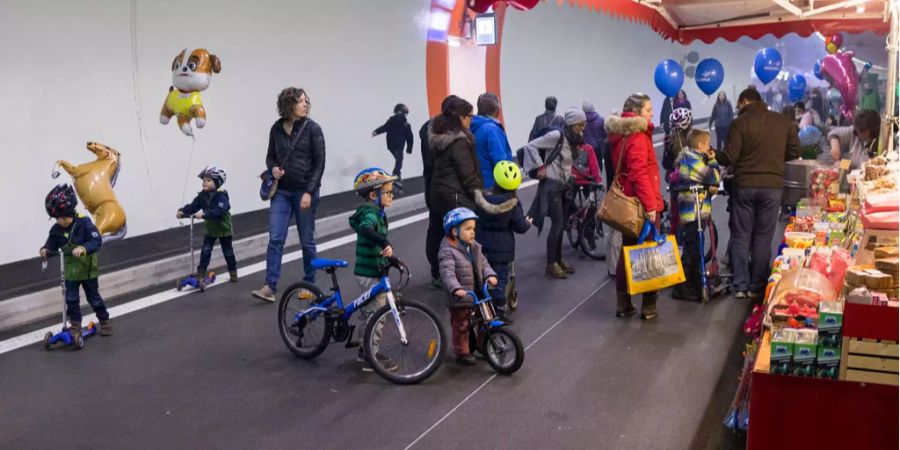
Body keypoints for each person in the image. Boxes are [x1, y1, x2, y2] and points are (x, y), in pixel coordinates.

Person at [718, 88, 800, 300]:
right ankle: (757, 286)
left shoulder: (740, 123)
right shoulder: (783, 122)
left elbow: (728, 157)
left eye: (738, 106)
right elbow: (794, 151)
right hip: (772, 186)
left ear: (745, 101)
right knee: (763, 236)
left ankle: (740, 286)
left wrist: (711, 153)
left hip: (745, 186)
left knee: (741, 236)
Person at [253, 87, 326, 303]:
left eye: (306, 101)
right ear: (289, 105)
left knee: (307, 239)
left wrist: (309, 192)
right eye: (301, 101)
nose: (305, 105)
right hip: (282, 191)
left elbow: (319, 164)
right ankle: (269, 287)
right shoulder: (276, 129)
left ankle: (310, 284)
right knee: (275, 238)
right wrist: (274, 168)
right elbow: (270, 156)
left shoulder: (313, 129)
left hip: (304, 190)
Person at [606, 93, 664, 320]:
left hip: (627, 205)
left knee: (627, 252)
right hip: (642, 203)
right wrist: (651, 206)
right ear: (637, 112)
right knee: (649, 253)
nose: (651, 113)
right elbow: (639, 174)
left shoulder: (619, 134)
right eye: (648, 110)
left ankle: (623, 303)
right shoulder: (638, 136)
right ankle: (649, 306)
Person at [40, 184, 113, 339]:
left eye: (64, 217)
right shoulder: (56, 230)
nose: (61, 221)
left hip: (87, 270)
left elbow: (96, 241)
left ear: (71, 211)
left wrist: (83, 248)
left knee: (93, 298)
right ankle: (75, 326)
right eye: (57, 218)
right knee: (71, 299)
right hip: (70, 272)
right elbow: (51, 243)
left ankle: (104, 320)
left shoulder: (84, 223)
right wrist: (45, 249)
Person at [426, 96, 484, 289]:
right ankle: (463, 283)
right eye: (469, 116)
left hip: (440, 195)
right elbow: (468, 175)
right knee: (463, 239)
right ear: (461, 117)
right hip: (457, 198)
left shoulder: (439, 136)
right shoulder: (459, 142)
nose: (471, 120)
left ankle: (442, 275)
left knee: (444, 236)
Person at [522, 107, 586, 279]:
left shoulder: (571, 138)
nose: (582, 129)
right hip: (551, 186)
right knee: (557, 225)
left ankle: (559, 260)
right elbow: (530, 146)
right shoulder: (556, 136)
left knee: (563, 224)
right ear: (572, 124)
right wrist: (540, 167)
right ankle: (551, 264)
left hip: (564, 186)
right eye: (580, 125)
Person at [348, 167, 399, 372]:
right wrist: (384, 241)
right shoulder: (370, 213)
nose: (391, 195)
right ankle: (368, 353)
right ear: (373, 194)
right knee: (374, 313)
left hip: (375, 269)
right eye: (387, 192)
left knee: (374, 311)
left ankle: (366, 348)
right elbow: (365, 229)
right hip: (368, 271)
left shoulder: (378, 212)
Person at [438, 207, 498, 366]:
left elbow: (483, 263)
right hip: (462, 297)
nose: (473, 232)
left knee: (487, 319)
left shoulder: (474, 246)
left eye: (474, 229)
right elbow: (447, 273)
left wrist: (490, 275)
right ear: (455, 231)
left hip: (479, 293)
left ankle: (482, 344)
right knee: (461, 325)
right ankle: (462, 352)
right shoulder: (447, 251)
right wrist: (455, 288)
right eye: (468, 229)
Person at [474, 161, 531, 321]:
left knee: (482, 275)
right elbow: (520, 226)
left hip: (482, 243)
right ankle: (498, 312)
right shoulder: (512, 204)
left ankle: (482, 308)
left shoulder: (482, 198)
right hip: (502, 247)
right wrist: (528, 222)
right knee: (500, 278)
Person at [670, 130, 721, 301]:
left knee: (696, 246)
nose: (709, 147)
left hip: (696, 210)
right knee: (691, 248)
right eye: (707, 144)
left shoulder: (694, 158)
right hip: (693, 210)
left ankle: (695, 282)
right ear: (700, 145)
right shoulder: (692, 159)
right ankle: (681, 287)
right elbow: (713, 177)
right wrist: (713, 160)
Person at [176, 166, 237, 283]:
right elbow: (193, 206)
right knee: (206, 250)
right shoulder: (202, 196)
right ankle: (201, 272)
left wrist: (204, 214)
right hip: (210, 229)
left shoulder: (221, 196)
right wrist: (183, 211)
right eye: (203, 180)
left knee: (228, 251)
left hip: (224, 228)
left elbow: (220, 211)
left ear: (217, 182)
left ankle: (233, 271)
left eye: (208, 180)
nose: (204, 183)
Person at [471, 92, 513, 190]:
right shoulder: (491, 129)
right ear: (496, 109)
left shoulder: (474, 126)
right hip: (494, 184)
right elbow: (500, 161)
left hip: (480, 182)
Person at [664, 108, 694, 238]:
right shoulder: (694, 140)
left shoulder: (669, 142)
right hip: (693, 183)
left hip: (676, 185)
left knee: (676, 219)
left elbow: (665, 164)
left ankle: (677, 247)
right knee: (693, 218)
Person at [372, 103, 414, 182]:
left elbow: (384, 127)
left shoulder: (391, 121)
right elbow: (410, 137)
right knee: (399, 160)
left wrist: (376, 132)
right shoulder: (406, 124)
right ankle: (396, 174)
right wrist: (409, 149)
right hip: (399, 145)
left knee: (398, 160)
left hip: (391, 145)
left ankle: (397, 175)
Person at [582, 101, 607, 172]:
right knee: (598, 166)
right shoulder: (600, 119)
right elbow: (604, 135)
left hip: (584, 147)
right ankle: (598, 180)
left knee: (585, 167)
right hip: (597, 147)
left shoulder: (581, 120)